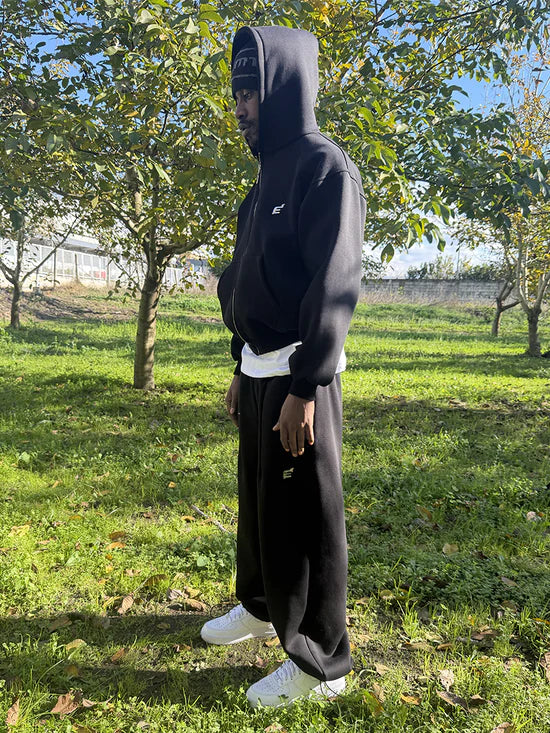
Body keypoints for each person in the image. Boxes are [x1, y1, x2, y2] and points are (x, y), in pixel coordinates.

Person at [200, 24, 366, 708]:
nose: (240, 106)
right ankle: (262, 605)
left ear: (285, 90)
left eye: (251, 92)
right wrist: (240, 363)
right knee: (260, 506)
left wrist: (306, 385)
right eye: (237, 93)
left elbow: (334, 285)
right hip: (260, 371)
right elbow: (247, 281)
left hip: (302, 378)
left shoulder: (324, 168)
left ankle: (323, 662)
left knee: (305, 520)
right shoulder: (264, 180)